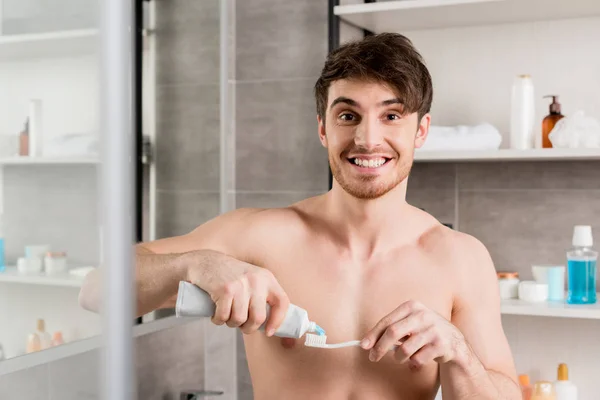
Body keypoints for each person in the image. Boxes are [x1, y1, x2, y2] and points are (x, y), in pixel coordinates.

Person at [79, 33, 520, 400]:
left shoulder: (460, 258)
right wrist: (195, 264)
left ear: (420, 130)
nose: (368, 139)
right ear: (323, 128)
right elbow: (96, 289)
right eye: (348, 115)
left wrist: (459, 354)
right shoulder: (261, 236)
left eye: (391, 116)